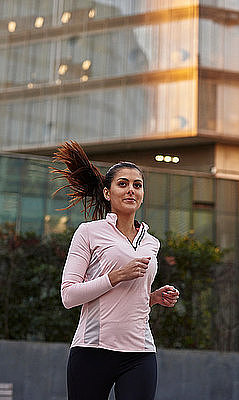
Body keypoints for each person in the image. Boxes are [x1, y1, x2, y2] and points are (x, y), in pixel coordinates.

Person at [53, 141, 180, 400]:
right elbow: (69, 296)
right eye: (123, 184)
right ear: (107, 193)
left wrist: (152, 298)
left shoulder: (151, 242)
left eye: (137, 185)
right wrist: (116, 276)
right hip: (92, 350)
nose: (131, 190)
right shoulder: (89, 232)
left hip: (140, 352)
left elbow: (132, 297)